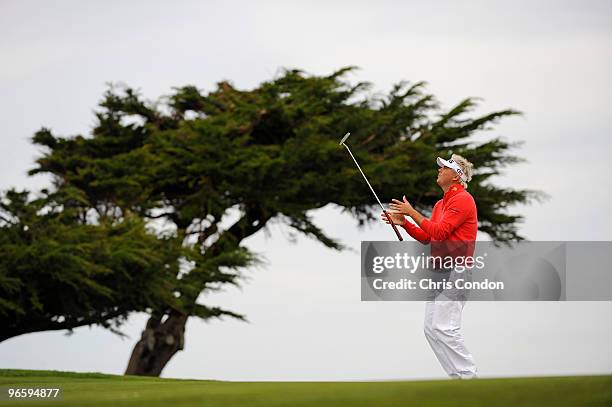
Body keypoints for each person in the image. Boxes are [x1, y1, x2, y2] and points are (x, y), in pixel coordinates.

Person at [381, 154, 478, 379]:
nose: (439, 170)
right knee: (431, 329)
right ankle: (457, 378)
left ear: (456, 176)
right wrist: (405, 224)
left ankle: (469, 377)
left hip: (457, 269)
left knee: (444, 327)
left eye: (444, 168)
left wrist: (412, 212)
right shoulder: (440, 204)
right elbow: (428, 236)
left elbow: (441, 232)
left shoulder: (463, 199)